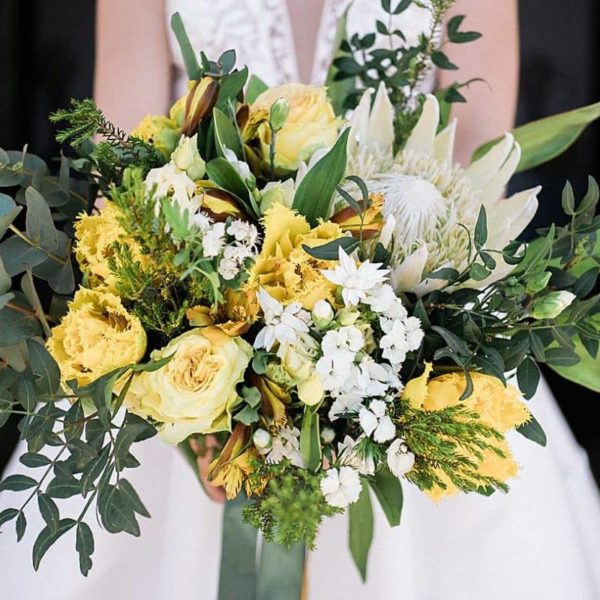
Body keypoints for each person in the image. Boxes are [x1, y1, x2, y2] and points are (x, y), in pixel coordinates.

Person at [1, 2, 599, 599]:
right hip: (200, 321)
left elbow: (475, 153)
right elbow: (122, 160)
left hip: (410, 332)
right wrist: (190, 389)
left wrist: (381, 351)